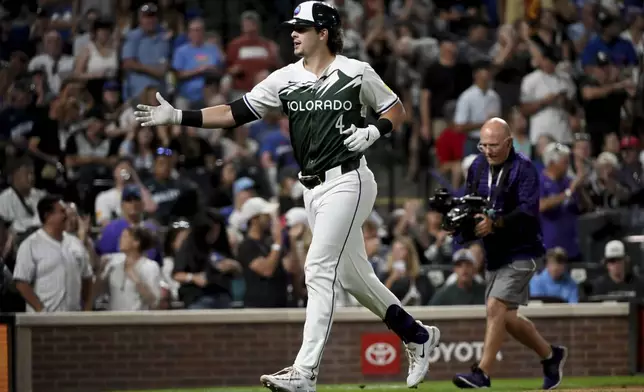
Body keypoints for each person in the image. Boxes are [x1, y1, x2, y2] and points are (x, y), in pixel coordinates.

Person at [133, 1, 440, 390]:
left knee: (317, 269)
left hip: (349, 180)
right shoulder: (284, 78)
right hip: (312, 188)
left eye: (302, 27)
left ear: (324, 33)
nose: (293, 33)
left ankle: (305, 372)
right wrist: (179, 116)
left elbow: (395, 108)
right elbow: (233, 112)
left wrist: (376, 130)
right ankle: (418, 336)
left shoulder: (355, 71)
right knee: (354, 278)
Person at [451, 118, 566, 390]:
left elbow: (528, 211)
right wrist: (461, 226)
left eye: (493, 145)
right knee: (508, 318)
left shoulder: (524, 168)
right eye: (484, 145)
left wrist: (496, 223)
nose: (488, 150)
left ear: (509, 143)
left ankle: (482, 373)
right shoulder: (477, 166)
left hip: (523, 249)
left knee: (495, 306)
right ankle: (551, 355)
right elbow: (472, 203)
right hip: (495, 252)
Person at [13, 195, 93, 312]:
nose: (66, 215)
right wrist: (41, 310)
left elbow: (87, 277)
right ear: (47, 216)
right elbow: (21, 282)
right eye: (62, 211)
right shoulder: (30, 244)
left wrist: (87, 309)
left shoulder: (75, 243)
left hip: (73, 319)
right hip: (42, 322)